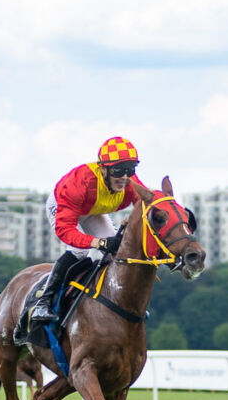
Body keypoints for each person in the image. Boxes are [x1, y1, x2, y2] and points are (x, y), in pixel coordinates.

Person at [29, 136, 149, 324]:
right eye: (118, 170)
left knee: (117, 250)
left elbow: (146, 206)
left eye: (130, 170)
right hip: (63, 207)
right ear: (103, 168)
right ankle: (43, 302)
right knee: (80, 251)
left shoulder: (130, 182)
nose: (125, 177)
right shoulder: (79, 183)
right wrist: (99, 243)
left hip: (92, 210)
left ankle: (122, 300)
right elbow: (65, 230)